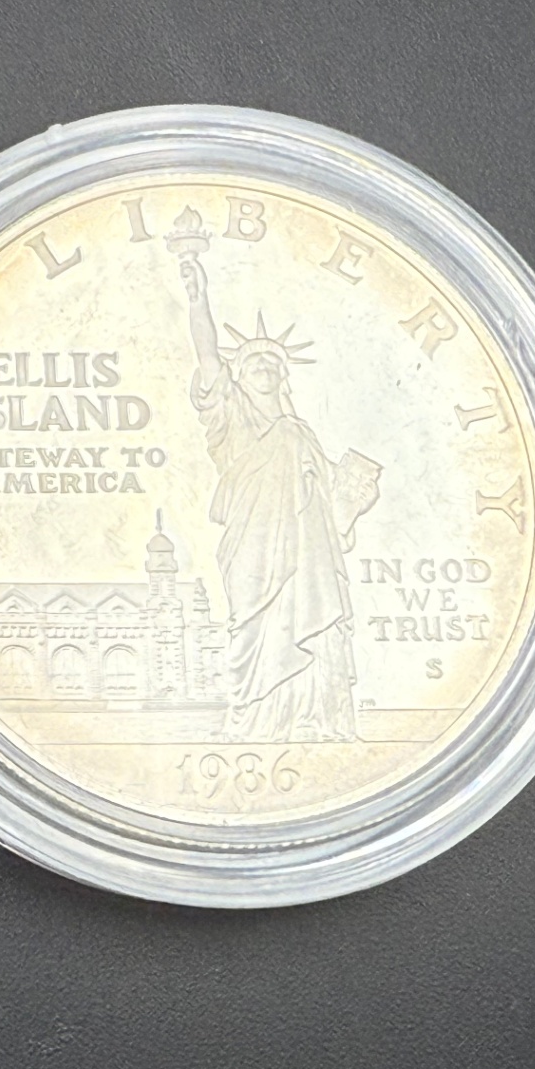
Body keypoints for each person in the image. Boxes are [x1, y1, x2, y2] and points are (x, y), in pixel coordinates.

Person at [179, 256, 375, 742]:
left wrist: (355, 499)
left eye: (273, 363)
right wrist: (198, 299)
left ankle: (315, 718)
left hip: (309, 553)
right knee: (255, 625)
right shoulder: (229, 417)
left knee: (313, 620)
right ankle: (255, 720)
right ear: (239, 376)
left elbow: (331, 505)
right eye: (253, 363)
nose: (264, 367)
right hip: (253, 544)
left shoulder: (300, 433)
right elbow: (208, 356)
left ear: (283, 376)